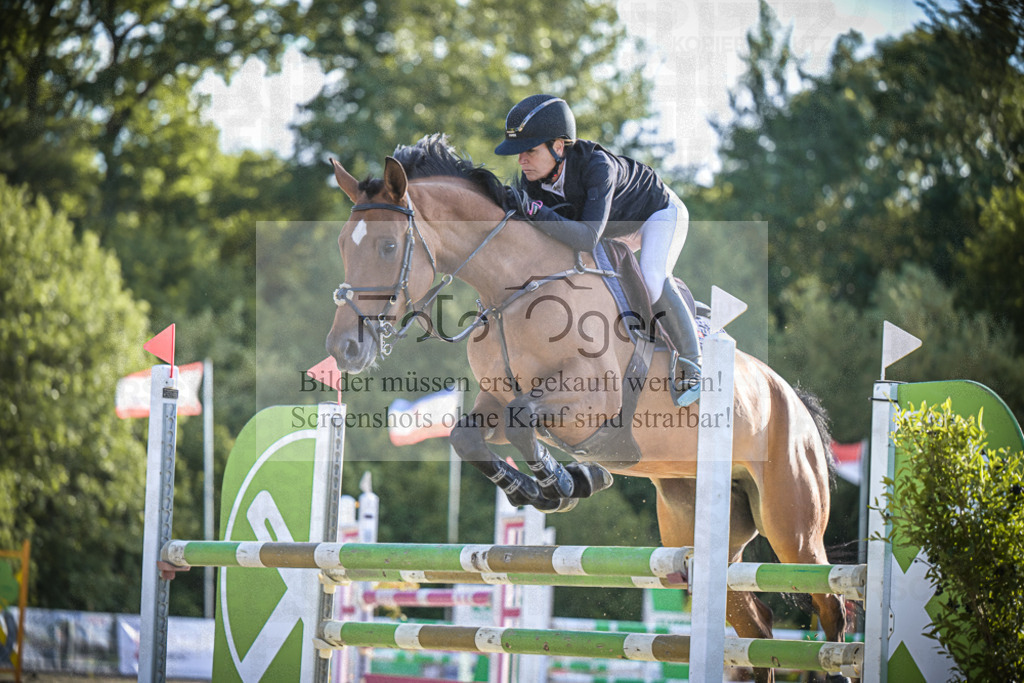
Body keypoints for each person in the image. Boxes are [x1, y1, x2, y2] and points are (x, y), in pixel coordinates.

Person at [496, 94, 701, 406]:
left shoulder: (597, 166)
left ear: (559, 146)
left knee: (653, 276)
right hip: (610, 228)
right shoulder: (534, 183)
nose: (522, 160)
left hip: (656, 215)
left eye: (530, 151)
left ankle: (692, 362)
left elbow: (588, 237)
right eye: (519, 153)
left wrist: (536, 212)